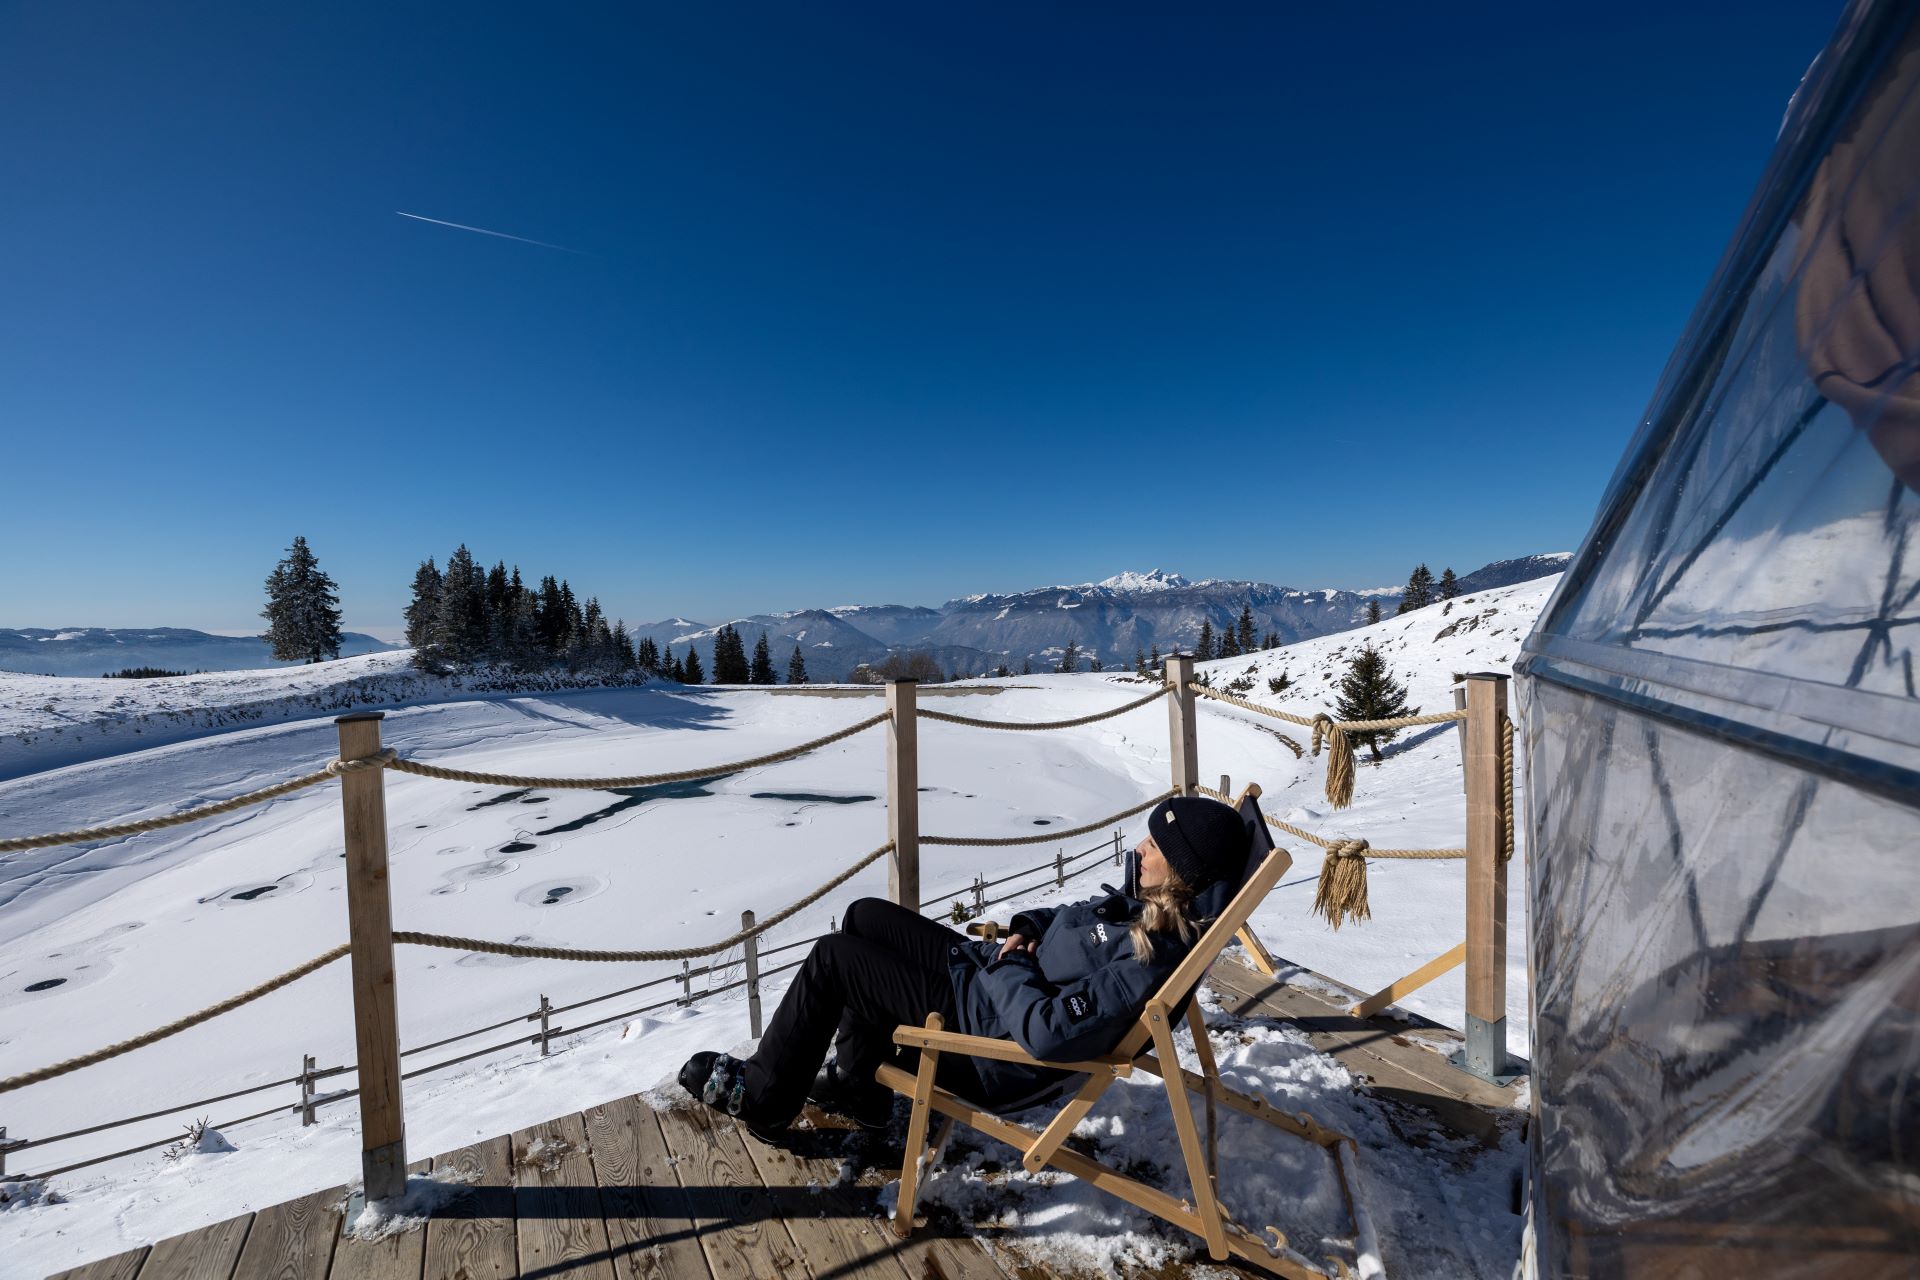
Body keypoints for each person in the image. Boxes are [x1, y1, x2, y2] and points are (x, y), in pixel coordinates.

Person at [678, 794, 1253, 1140]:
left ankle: (765, 1098)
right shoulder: (1137, 905)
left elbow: (1049, 1034)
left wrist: (1010, 968)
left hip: (983, 1041)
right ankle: (857, 1086)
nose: (1140, 848)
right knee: (864, 915)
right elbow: (1064, 916)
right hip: (981, 980)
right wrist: (1026, 930)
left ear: (1182, 868)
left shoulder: (1146, 959)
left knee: (835, 960)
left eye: (1154, 845)